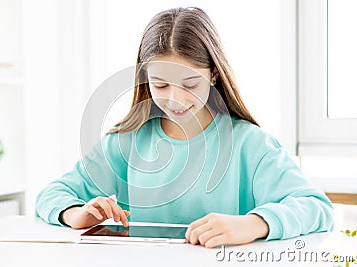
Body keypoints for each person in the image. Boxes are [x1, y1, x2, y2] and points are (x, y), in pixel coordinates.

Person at [36, 7, 334, 248]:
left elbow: (317, 207)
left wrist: (252, 224)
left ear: (214, 74)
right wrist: (76, 215)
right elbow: (52, 194)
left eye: (190, 84)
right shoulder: (126, 142)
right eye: (160, 84)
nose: (175, 99)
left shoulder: (251, 145)